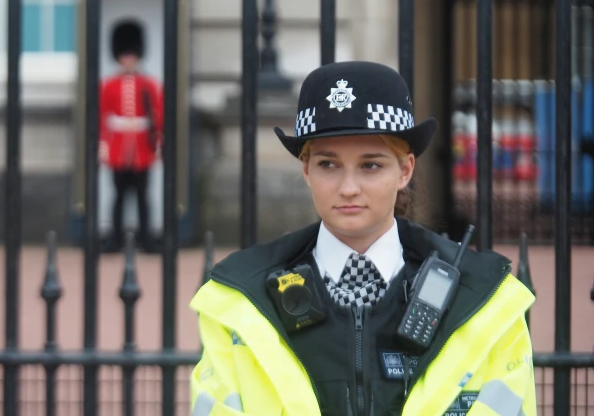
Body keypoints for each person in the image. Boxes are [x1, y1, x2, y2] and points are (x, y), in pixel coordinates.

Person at [189, 61, 536, 416]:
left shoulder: (488, 303)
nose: (349, 188)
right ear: (306, 170)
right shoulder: (238, 301)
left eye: (370, 165)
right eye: (328, 164)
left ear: (405, 171)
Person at [98, 20, 163, 253]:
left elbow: (159, 115)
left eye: (131, 55)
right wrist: (102, 145)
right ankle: (115, 239)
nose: (127, 59)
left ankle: (146, 239)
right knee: (118, 197)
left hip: (142, 148)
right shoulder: (109, 85)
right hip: (117, 148)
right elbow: (102, 116)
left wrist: (158, 144)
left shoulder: (149, 84)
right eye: (124, 55)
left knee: (143, 197)